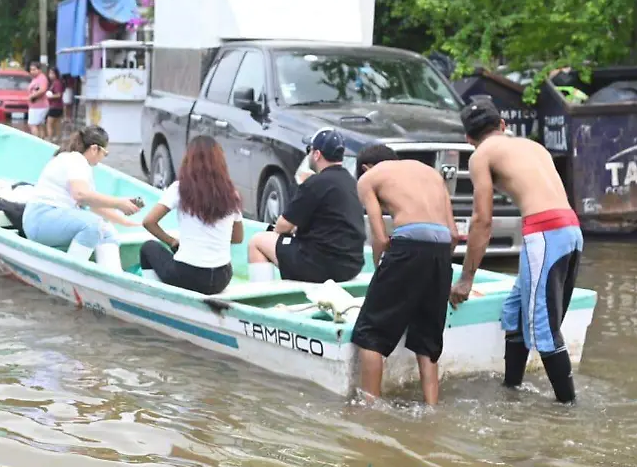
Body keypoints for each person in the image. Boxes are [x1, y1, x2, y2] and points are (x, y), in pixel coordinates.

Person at [451, 97, 582, 404]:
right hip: (570, 229)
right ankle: (513, 391)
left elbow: (482, 221)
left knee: (544, 329)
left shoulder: (480, 155)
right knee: (515, 311)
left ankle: (568, 408)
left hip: (545, 234)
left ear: (469, 139)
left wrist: (466, 279)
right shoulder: (535, 147)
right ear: (503, 125)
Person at [352, 143, 459, 404]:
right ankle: (432, 407)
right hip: (442, 250)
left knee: (371, 332)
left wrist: (381, 269)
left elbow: (379, 237)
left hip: (407, 247)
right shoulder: (431, 174)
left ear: (365, 167)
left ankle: (370, 405)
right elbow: (454, 235)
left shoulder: (369, 178)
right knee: (428, 335)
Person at [246, 128, 365, 283]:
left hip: (320, 266)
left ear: (316, 154)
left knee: (257, 241)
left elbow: (282, 227)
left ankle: (262, 297)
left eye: (310, 150)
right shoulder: (350, 182)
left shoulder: (315, 183)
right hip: (351, 266)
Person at [22, 125, 141, 269]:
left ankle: (113, 278)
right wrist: (119, 203)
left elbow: (93, 205)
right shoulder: (75, 160)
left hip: (49, 219)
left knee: (108, 233)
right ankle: (70, 274)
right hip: (41, 219)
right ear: (94, 149)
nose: (103, 157)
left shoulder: (79, 165)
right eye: (105, 153)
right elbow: (80, 195)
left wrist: (125, 222)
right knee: (93, 225)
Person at [140, 136, 243, 294]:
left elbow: (149, 222)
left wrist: (172, 241)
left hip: (188, 276)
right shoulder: (231, 193)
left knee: (148, 247)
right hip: (222, 277)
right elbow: (237, 238)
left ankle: (153, 298)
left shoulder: (179, 188)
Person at [27, 62, 50, 139]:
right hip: (35, 106)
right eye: (31, 70)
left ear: (39, 70)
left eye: (34, 69)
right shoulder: (36, 78)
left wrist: (31, 96)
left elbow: (42, 90)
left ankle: (36, 141)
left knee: (32, 124)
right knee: (39, 125)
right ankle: (41, 141)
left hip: (39, 106)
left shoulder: (42, 78)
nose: (32, 71)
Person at [46, 67, 65, 141]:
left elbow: (58, 95)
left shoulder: (57, 83)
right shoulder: (55, 83)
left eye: (52, 73)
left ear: (56, 74)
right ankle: (58, 139)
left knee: (49, 124)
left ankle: (50, 139)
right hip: (58, 107)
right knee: (57, 124)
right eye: (49, 73)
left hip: (55, 106)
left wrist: (49, 97)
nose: (50, 75)